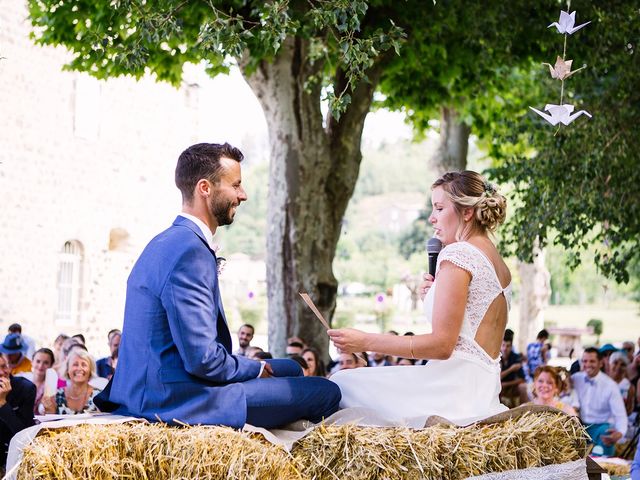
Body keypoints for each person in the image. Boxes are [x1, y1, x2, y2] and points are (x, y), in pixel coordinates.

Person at [95, 143, 340, 428]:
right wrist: (258, 369)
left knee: (292, 367)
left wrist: (259, 368)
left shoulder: (167, 240)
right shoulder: (189, 251)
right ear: (205, 188)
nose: (243, 195)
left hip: (148, 386)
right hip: (173, 400)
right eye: (235, 185)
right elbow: (203, 360)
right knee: (326, 392)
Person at [328, 170, 511, 425]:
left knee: (341, 383)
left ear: (467, 212)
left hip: (451, 392)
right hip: (481, 392)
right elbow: (470, 328)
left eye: (438, 208)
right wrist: (434, 295)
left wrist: (365, 341)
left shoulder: (459, 254)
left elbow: (442, 346)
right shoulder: (498, 263)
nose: (431, 218)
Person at [572, 347, 627, 457]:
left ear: (601, 363)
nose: (587, 364)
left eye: (592, 361)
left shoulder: (611, 385)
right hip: (579, 428)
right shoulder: (575, 379)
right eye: (585, 361)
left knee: (602, 465)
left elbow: (620, 414)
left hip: (601, 430)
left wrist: (620, 432)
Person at [0, 355, 35, 467]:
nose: (1, 372)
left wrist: (2, 403)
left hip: (16, 455)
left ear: (10, 367)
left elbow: (24, 434)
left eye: (4, 366)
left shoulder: (26, 388)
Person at [43, 348, 99, 415]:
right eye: (75, 364)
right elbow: (50, 423)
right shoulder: (56, 397)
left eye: (84, 365)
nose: (79, 368)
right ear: (67, 369)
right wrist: (49, 411)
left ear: (90, 370)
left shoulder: (99, 397)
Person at [16, 348, 58, 415]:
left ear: (51, 365)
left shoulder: (53, 384)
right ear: (32, 362)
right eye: (38, 361)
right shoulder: (21, 378)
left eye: (46, 363)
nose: (41, 366)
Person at [500, 338, 525, 407]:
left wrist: (506, 384)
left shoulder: (516, 357)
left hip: (511, 386)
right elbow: (498, 377)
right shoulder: (497, 357)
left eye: (508, 346)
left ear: (511, 347)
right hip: (498, 386)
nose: (505, 348)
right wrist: (511, 369)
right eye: (503, 345)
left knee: (522, 387)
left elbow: (522, 379)